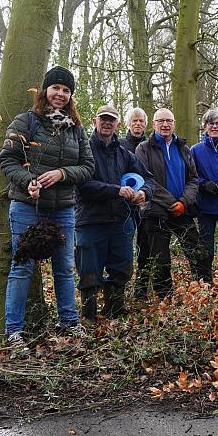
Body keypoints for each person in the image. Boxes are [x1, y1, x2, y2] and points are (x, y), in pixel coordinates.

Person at [0, 65, 94, 347]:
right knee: (22, 267)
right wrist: (28, 180)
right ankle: (13, 331)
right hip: (28, 205)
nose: (60, 94)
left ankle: (69, 322)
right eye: (56, 88)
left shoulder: (76, 129)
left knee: (64, 267)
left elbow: (88, 167)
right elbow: (7, 160)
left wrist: (63, 174)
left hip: (63, 208)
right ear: (45, 91)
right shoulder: (25, 122)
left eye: (66, 90)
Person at [75, 105, 155, 322]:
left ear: (118, 124)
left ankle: (114, 316)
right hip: (90, 220)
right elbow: (82, 185)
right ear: (94, 121)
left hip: (120, 222)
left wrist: (144, 193)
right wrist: (116, 190)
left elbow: (149, 178)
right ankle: (89, 320)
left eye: (112, 120)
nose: (107, 123)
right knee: (89, 273)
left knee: (122, 269)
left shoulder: (124, 154)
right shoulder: (84, 150)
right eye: (103, 119)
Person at [134, 108, 212, 298]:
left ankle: (207, 288)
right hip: (156, 210)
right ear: (153, 124)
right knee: (161, 258)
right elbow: (146, 180)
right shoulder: (143, 148)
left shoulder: (183, 148)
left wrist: (183, 202)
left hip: (182, 209)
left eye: (169, 120)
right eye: (160, 121)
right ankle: (164, 297)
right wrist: (172, 202)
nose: (165, 124)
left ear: (174, 124)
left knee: (197, 250)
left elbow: (193, 179)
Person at [190, 107, 218, 271]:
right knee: (206, 247)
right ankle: (205, 278)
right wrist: (204, 184)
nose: (214, 127)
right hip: (205, 206)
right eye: (211, 123)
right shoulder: (195, 150)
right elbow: (190, 175)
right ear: (205, 126)